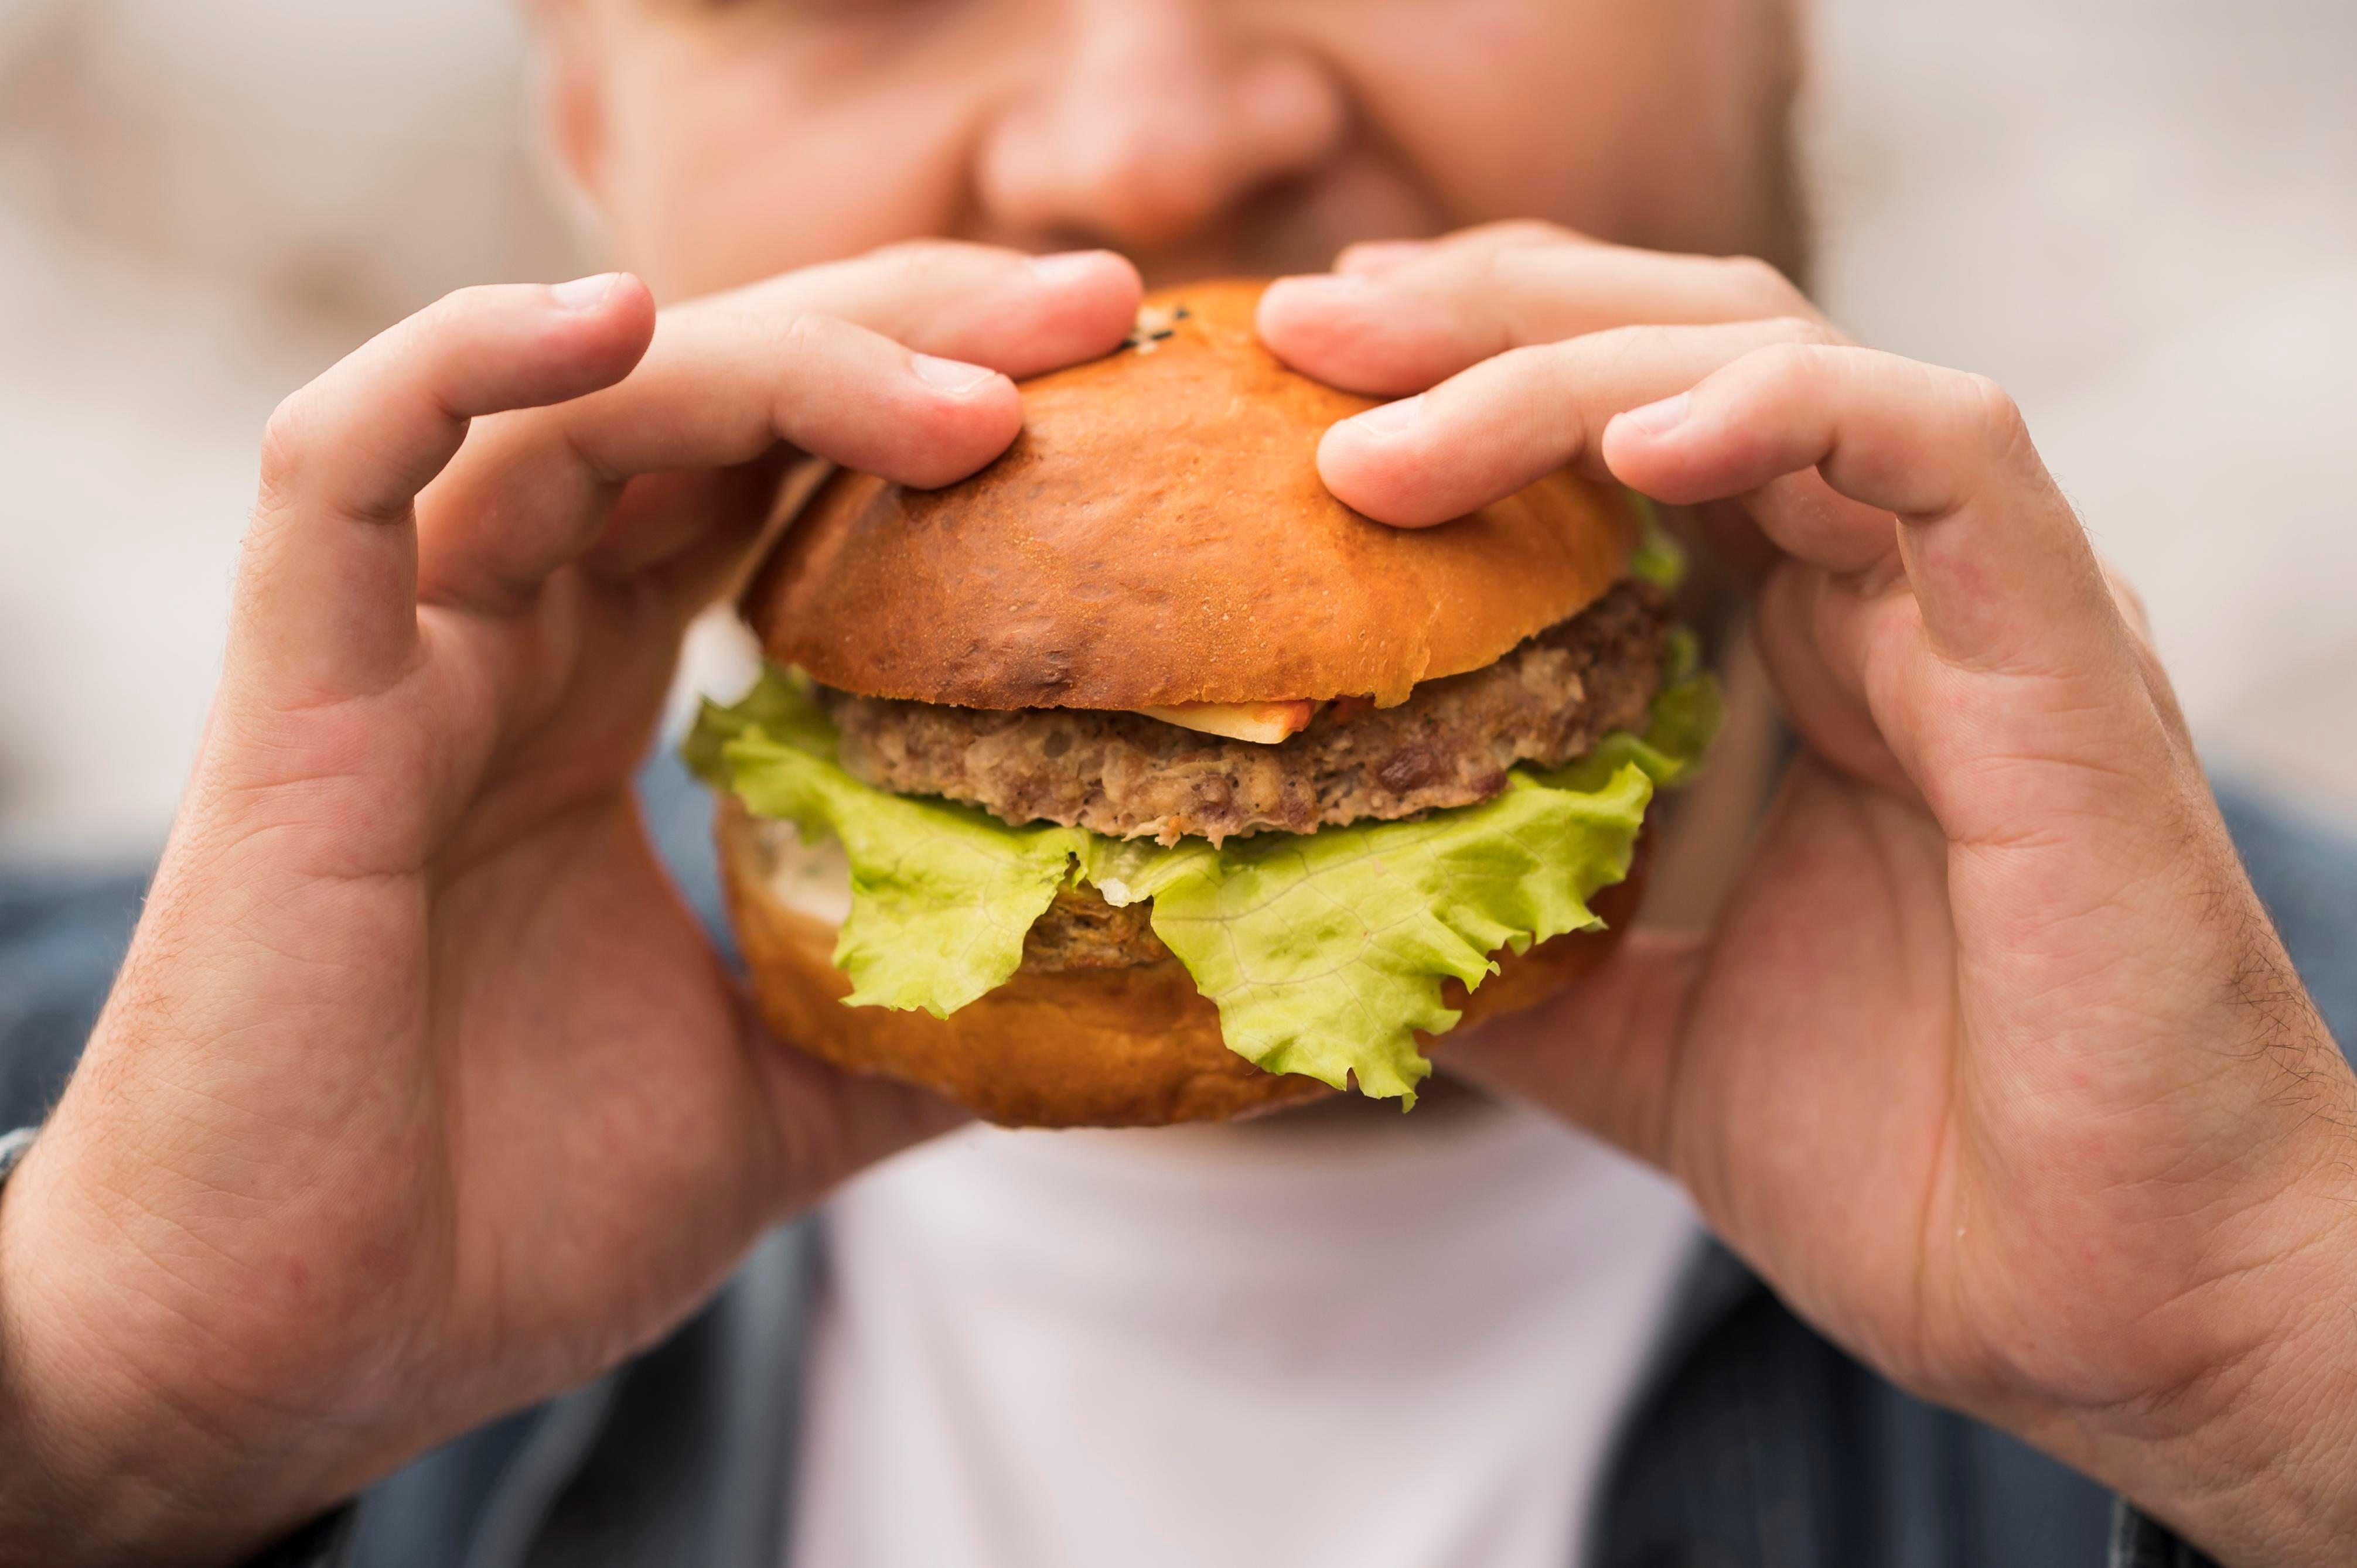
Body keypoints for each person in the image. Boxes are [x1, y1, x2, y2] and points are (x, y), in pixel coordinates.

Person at [1, 2, 2352, 1564]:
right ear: (591, 131)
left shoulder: (2298, 1207)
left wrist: (2271, 1377)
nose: (1144, 136)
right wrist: (109, 1437)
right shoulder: (71, 1194)